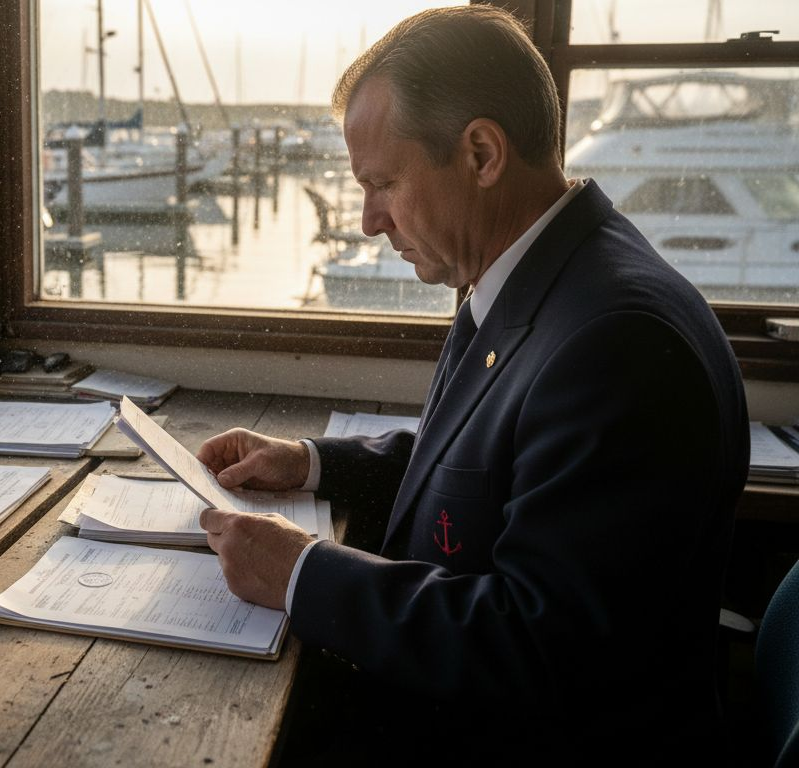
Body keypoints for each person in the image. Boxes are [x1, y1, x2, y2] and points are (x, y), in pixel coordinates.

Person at [196, 6, 748, 763]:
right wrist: (310, 462)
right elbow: (485, 465)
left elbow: (542, 646)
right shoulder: (545, 279)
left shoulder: (616, 343)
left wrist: (302, 573)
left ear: (482, 154)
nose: (368, 221)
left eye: (383, 183)